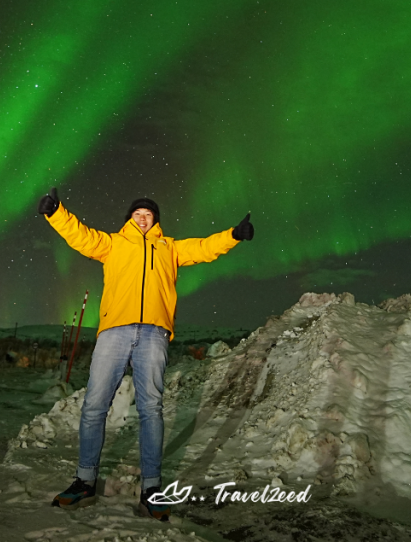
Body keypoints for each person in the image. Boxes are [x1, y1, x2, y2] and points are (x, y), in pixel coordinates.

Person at [37, 189, 254, 521]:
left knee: (151, 408)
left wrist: (233, 236)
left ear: (155, 221)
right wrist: (56, 213)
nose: (143, 216)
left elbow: (202, 248)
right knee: (95, 405)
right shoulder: (112, 244)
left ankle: (152, 488)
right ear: (129, 218)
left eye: (148, 214)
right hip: (114, 331)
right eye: (137, 212)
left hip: (154, 332)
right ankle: (84, 480)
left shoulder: (168, 248)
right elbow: (80, 237)